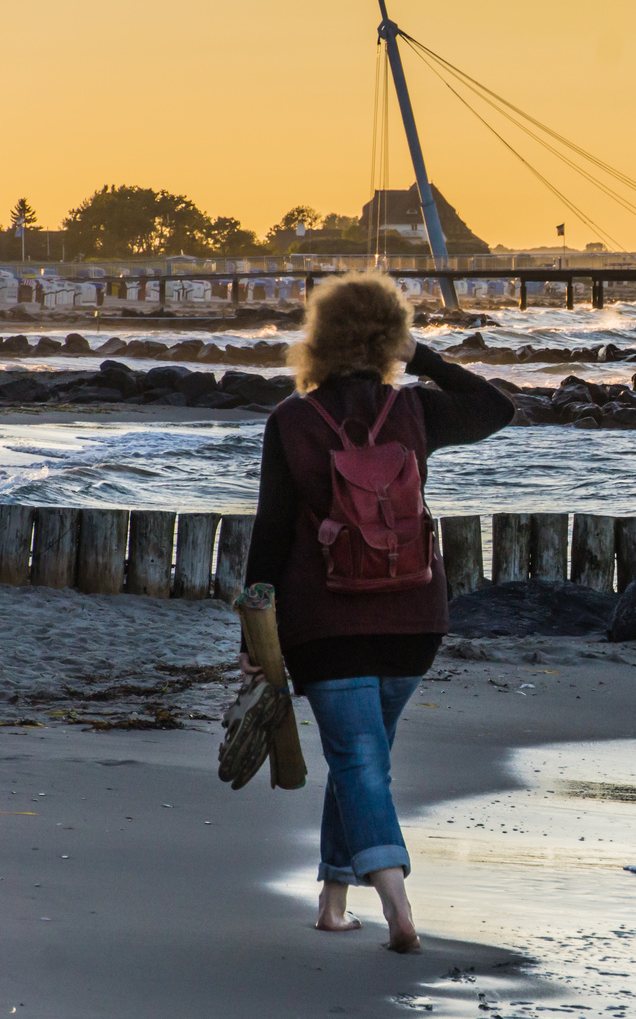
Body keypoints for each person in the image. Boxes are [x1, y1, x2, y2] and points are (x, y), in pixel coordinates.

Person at [239, 272, 513, 952]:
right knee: (362, 758)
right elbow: (496, 408)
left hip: (328, 627)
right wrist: (421, 357)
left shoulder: (292, 421)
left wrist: (255, 632)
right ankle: (333, 903)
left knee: (360, 761)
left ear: (319, 337)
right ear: (389, 335)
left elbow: (271, 535)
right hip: (413, 620)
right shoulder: (415, 411)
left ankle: (397, 905)